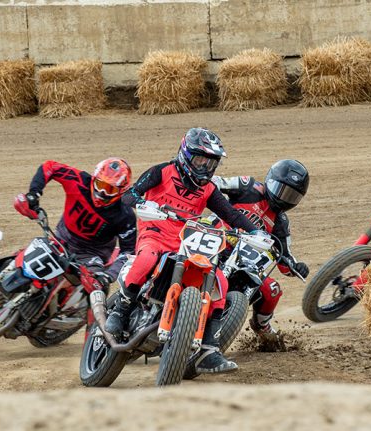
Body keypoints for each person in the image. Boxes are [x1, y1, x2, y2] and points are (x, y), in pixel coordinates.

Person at [105, 127, 259, 374]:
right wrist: (144, 203)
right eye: (200, 160)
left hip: (185, 241)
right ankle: (122, 309)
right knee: (147, 258)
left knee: (219, 280)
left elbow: (231, 214)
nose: (204, 167)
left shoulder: (208, 189)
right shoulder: (163, 171)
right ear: (186, 154)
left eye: (211, 163)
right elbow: (130, 194)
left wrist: (257, 233)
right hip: (154, 232)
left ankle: (208, 348)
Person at [213, 159, 310, 344]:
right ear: (270, 180)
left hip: (245, 262)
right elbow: (215, 183)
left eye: (291, 195)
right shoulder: (247, 186)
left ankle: (261, 325)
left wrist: (296, 267)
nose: (284, 198)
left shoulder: (281, 223)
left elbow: (284, 258)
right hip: (217, 240)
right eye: (282, 190)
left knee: (272, 289)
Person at [21, 157, 137, 291]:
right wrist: (34, 193)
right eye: (100, 185)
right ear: (94, 178)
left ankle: (88, 310)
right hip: (60, 239)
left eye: (110, 190)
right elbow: (50, 166)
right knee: (21, 260)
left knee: (96, 289)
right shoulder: (79, 180)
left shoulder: (125, 215)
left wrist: (108, 276)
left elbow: (128, 252)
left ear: (121, 191)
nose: (102, 193)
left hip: (91, 255)